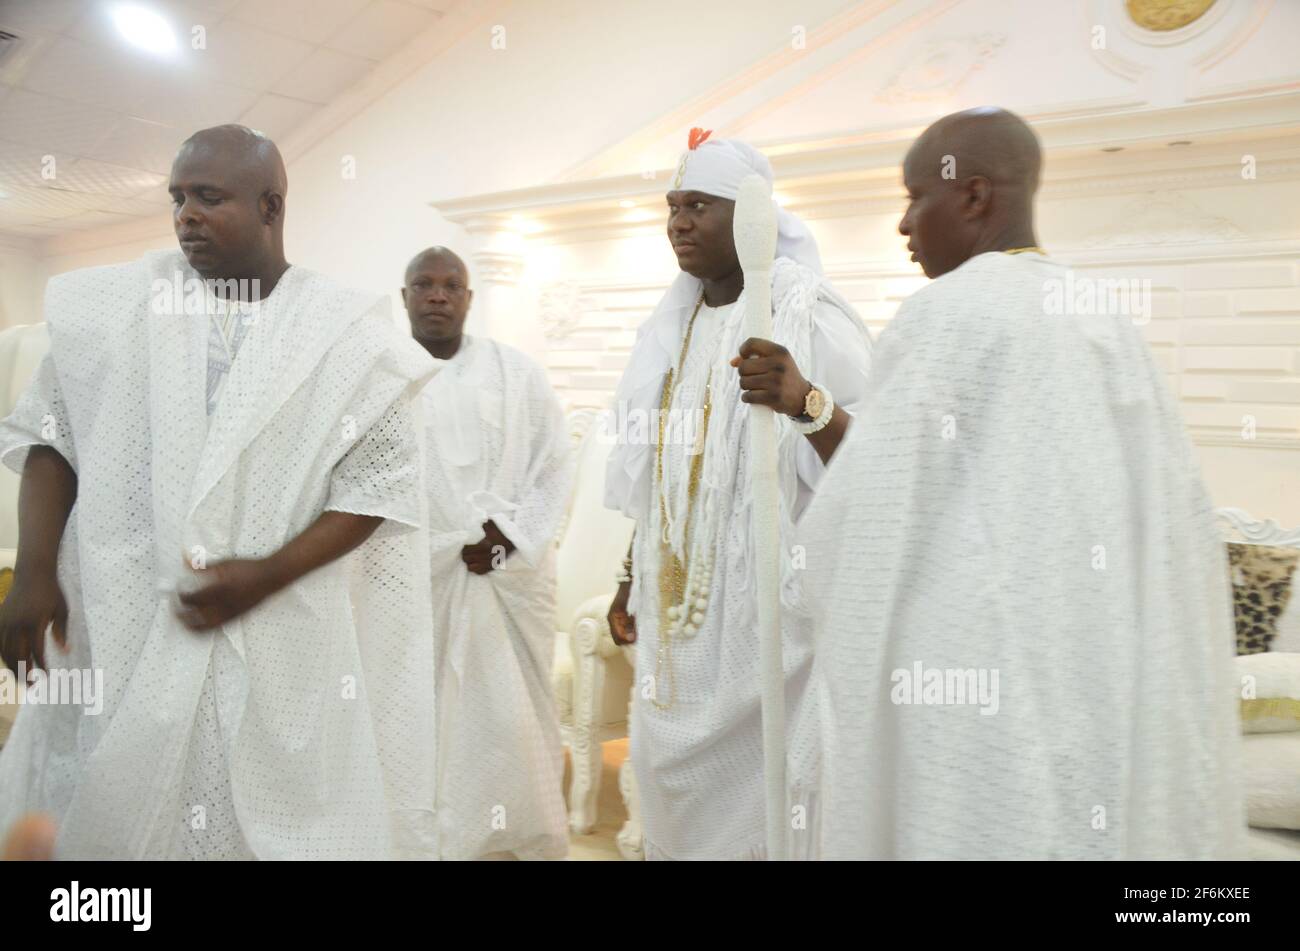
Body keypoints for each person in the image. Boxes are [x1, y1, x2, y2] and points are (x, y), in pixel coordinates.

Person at [802, 107, 1245, 859]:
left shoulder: (943, 314)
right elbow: (1173, 522)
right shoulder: (1106, 321)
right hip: (1095, 663)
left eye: (914, 198)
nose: (904, 225)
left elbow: (867, 518)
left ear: (973, 196)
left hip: (959, 679)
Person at [0, 125, 439, 860]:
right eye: (177, 198)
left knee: (260, 807)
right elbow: (53, 434)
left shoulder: (345, 331)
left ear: (271, 206)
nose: (185, 216)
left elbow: (377, 484)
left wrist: (267, 574)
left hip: (278, 622)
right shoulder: (116, 306)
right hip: (121, 608)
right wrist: (35, 569)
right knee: (105, 814)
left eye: (209, 197)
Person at [604, 130, 873, 860]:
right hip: (677, 613)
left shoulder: (807, 312)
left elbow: (878, 467)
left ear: (754, 218)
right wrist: (631, 573)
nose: (679, 222)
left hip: (771, 618)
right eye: (672, 206)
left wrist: (804, 400)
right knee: (671, 789)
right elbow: (662, 473)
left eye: (700, 205)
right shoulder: (671, 326)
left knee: (769, 805)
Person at [404, 247, 573, 860]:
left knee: (507, 721)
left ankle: (509, 835)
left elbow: (555, 464)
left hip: (505, 576)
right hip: (413, 578)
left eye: (453, 285)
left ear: (470, 299)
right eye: (423, 284)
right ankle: (430, 837)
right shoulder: (381, 377)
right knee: (419, 714)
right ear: (405, 298)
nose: (438, 295)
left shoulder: (515, 372)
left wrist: (508, 537)